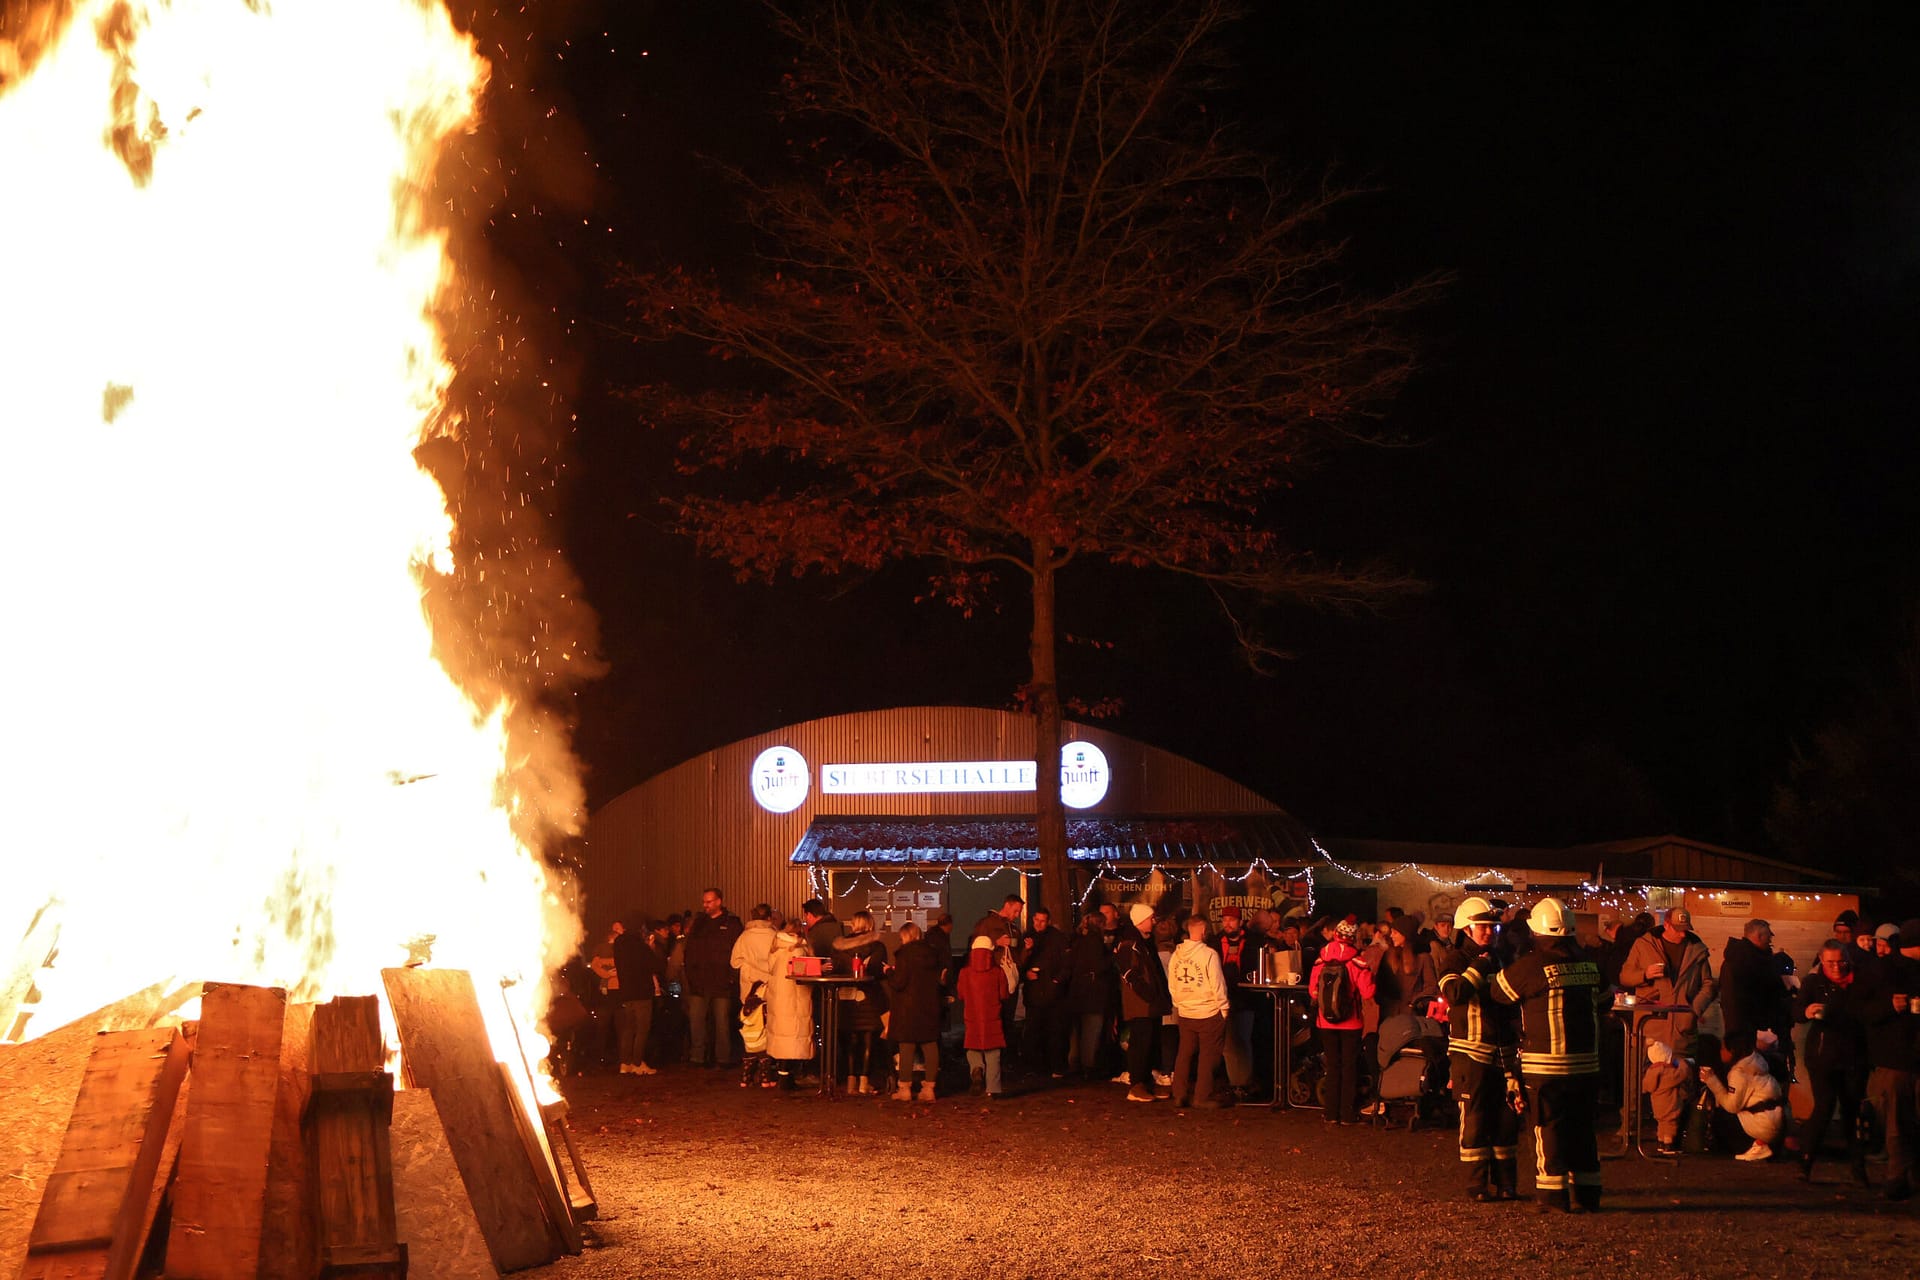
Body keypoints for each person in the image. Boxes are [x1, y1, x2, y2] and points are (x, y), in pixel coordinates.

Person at [1488, 898, 1604, 1214]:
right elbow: (1605, 998)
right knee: (1583, 1129)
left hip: (1546, 1066)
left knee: (1547, 1128)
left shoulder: (1532, 965)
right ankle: (1588, 1193)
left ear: (1536, 931)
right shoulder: (1590, 963)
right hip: (1587, 1065)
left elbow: (1499, 992)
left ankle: (1553, 1197)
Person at [1437, 897, 1521, 1200]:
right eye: (1482, 926)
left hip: (1503, 1052)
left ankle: (1506, 1183)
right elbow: (1455, 992)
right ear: (1466, 929)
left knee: (1506, 1121)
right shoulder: (1455, 959)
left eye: (1491, 926)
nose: (1488, 931)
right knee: (1474, 1119)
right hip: (1470, 1053)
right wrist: (1479, 966)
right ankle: (1477, 1185)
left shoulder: (1502, 957)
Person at [1794, 939, 1869, 1184]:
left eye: (1840, 962)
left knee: (1852, 1110)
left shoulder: (1860, 981)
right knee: (1824, 1106)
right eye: (1830, 962)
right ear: (1821, 960)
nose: (1836, 967)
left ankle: (1858, 1168)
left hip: (1854, 1055)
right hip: (1822, 1054)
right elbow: (1796, 1010)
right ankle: (1806, 1161)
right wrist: (1806, 1011)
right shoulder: (1814, 983)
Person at [1853, 923, 1917, 1199]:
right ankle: (1897, 1176)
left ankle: (1908, 1176)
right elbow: (1859, 1010)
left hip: (1905, 1058)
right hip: (1894, 1060)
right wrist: (1890, 1007)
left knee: (1904, 1122)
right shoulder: (1881, 971)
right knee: (1896, 1123)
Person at [1619, 907, 1715, 1056]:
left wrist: (1694, 1010)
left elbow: (1708, 984)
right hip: (1650, 1030)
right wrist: (1644, 975)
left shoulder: (1697, 950)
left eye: (1686, 929)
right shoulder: (1644, 944)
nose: (1683, 934)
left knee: (1681, 1069)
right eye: (1678, 929)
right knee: (1649, 1070)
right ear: (1666, 925)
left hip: (1682, 1033)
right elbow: (1624, 976)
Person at [1309, 918, 1375, 1126]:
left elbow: (1313, 990)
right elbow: (1368, 992)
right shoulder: (1356, 962)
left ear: (1336, 935)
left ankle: (1330, 1112)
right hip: (1351, 1022)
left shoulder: (1321, 959)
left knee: (1332, 1065)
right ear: (1352, 938)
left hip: (1325, 1021)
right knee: (1349, 1066)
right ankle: (1347, 1114)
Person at [1168, 912, 1232, 1107]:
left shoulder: (1176, 955)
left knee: (1184, 1054)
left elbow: (1172, 983)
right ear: (1203, 930)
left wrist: (1179, 1003)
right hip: (1208, 1011)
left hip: (1186, 1012)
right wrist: (1224, 1007)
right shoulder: (1209, 954)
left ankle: (1179, 1093)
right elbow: (1217, 983)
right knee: (1208, 1055)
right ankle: (1202, 1096)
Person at [1698, 1028, 1786, 1162]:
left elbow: (1732, 1106)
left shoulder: (1739, 1073)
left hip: (1763, 1126)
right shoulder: (1757, 1061)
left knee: (1721, 1117)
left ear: (1732, 1051)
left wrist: (1711, 1081)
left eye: (1723, 1049)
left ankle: (1755, 1145)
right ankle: (1767, 1144)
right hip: (1777, 1120)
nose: (1721, 1052)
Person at [683, 888, 745, 1069]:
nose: (705, 905)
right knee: (697, 1022)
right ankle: (698, 1057)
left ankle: (722, 1058)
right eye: (704, 902)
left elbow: (738, 952)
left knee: (721, 1023)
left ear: (719, 901)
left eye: (709, 902)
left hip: (721, 983)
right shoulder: (699, 923)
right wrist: (691, 975)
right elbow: (690, 951)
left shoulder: (731, 923)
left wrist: (731, 978)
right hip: (699, 982)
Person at [1116, 903, 1172, 1102]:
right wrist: (1148, 994)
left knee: (1151, 1042)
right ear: (1141, 921)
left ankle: (1145, 1082)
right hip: (1141, 1004)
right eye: (1150, 918)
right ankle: (1137, 1084)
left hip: (1150, 1003)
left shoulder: (1144, 942)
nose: (1153, 922)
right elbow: (1129, 973)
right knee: (1141, 1043)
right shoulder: (1131, 944)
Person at [831, 911, 891, 1094]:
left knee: (850, 1041)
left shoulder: (839, 947)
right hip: (869, 998)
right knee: (868, 1041)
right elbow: (878, 971)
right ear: (870, 924)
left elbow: (835, 968)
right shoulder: (877, 946)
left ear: (853, 924)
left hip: (845, 998)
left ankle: (851, 1082)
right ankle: (864, 1082)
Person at [887, 921, 944, 1101]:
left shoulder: (905, 954)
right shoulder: (932, 953)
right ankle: (929, 1088)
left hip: (908, 1007)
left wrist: (889, 972)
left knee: (906, 1046)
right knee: (930, 1045)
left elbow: (899, 982)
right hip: (929, 1005)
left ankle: (904, 1089)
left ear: (906, 936)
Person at [730, 904, 781, 1087]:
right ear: (769, 918)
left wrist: (749, 966)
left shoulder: (744, 937)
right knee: (768, 1030)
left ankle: (747, 1074)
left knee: (751, 1031)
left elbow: (734, 962)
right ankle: (766, 1074)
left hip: (750, 990)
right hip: (769, 989)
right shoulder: (775, 936)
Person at [1719, 919, 1790, 1046]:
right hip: (1751, 1035)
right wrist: (1747, 1037)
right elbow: (1733, 1002)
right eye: (1768, 935)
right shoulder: (1740, 961)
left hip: (1764, 1031)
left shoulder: (1758, 958)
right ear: (1759, 936)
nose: (1771, 939)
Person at [1019, 906, 1071, 1077]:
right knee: (1034, 1031)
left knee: (1055, 1031)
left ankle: (1056, 1066)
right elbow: (1019, 963)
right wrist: (1026, 973)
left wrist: (1056, 981)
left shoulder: (1058, 938)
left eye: (1042, 921)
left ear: (1048, 921)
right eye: (1037, 920)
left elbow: (1067, 964)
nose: (1039, 924)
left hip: (1053, 994)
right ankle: (1035, 1067)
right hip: (1034, 993)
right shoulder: (1027, 936)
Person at [1065, 911, 1117, 1079]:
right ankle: (1088, 1064)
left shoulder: (1078, 940)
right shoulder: (1095, 942)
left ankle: (1074, 1062)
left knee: (1076, 1031)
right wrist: (1113, 955)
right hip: (1093, 994)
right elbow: (1099, 966)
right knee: (1091, 1030)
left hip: (1077, 991)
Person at [764, 920, 815, 1090]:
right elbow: (802, 974)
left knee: (781, 1037)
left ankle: (781, 1074)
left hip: (778, 999)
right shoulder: (799, 950)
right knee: (793, 1039)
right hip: (795, 1000)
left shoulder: (776, 947)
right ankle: (788, 1077)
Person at [613, 913, 664, 1076]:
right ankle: (637, 1062)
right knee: (642, 1029)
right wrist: (651, 948)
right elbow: (655, 966)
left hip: (626, 991)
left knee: (628, 1028)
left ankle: (625, 1063)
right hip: (641, 992)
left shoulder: (619, 943)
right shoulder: (640, 945)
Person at [958, 935, 1009, 1098]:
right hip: (992, 1017)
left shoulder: (965, 973)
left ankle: (977, 1068)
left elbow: (961, 994)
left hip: (972, 1016)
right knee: (993, 1053)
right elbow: (1004, 994)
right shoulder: (997, 972)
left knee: (973, 1048)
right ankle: (992, 1089)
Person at [1643, 1040, 1691, 1155]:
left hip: (1657, 1106)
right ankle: (1669, 1145)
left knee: (1661, 1124)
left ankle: (1660, 1143)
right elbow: (1682, 1074)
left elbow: (1646, 1086)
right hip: (1669, 1105)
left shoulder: (1651, 1071)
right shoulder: (1667, 1073)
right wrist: (1681, 1062)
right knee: (1670, 1125)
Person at [802, 899, 844, 968]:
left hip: (824, 970)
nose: (805, 919)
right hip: (840, 968)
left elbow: (814, 958)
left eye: (805, 916)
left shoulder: (815, 932)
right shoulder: (837, 926)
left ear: (809, 915)